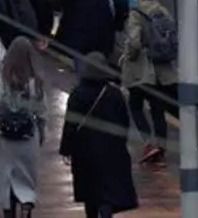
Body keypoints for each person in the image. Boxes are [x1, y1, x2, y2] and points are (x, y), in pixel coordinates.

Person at [60, 52, 139, 218]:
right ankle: (106, 212)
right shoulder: (115, 94)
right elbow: (124, 123)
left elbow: (70, 124)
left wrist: (66, 149)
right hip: (111, 150)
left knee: (90, 191)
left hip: (84, 152)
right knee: (108, 189)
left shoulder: (77, 93)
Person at [0, 36, 47, 218]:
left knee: (5, 178)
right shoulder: (36, 82)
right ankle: (26, 205)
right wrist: (41, 136)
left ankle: (9, 213)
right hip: (27, 137)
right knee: (26, 178)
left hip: (3, 138)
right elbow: (41, 113)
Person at [120, 0, 178, 164]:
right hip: (162, 70)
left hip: (142, 70)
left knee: (135, 106)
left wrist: (128, 55)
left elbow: (135, 42)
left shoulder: (136, 14)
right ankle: (161, 148)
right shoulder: (163, 11)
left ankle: (149, 143)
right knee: (157, 109)